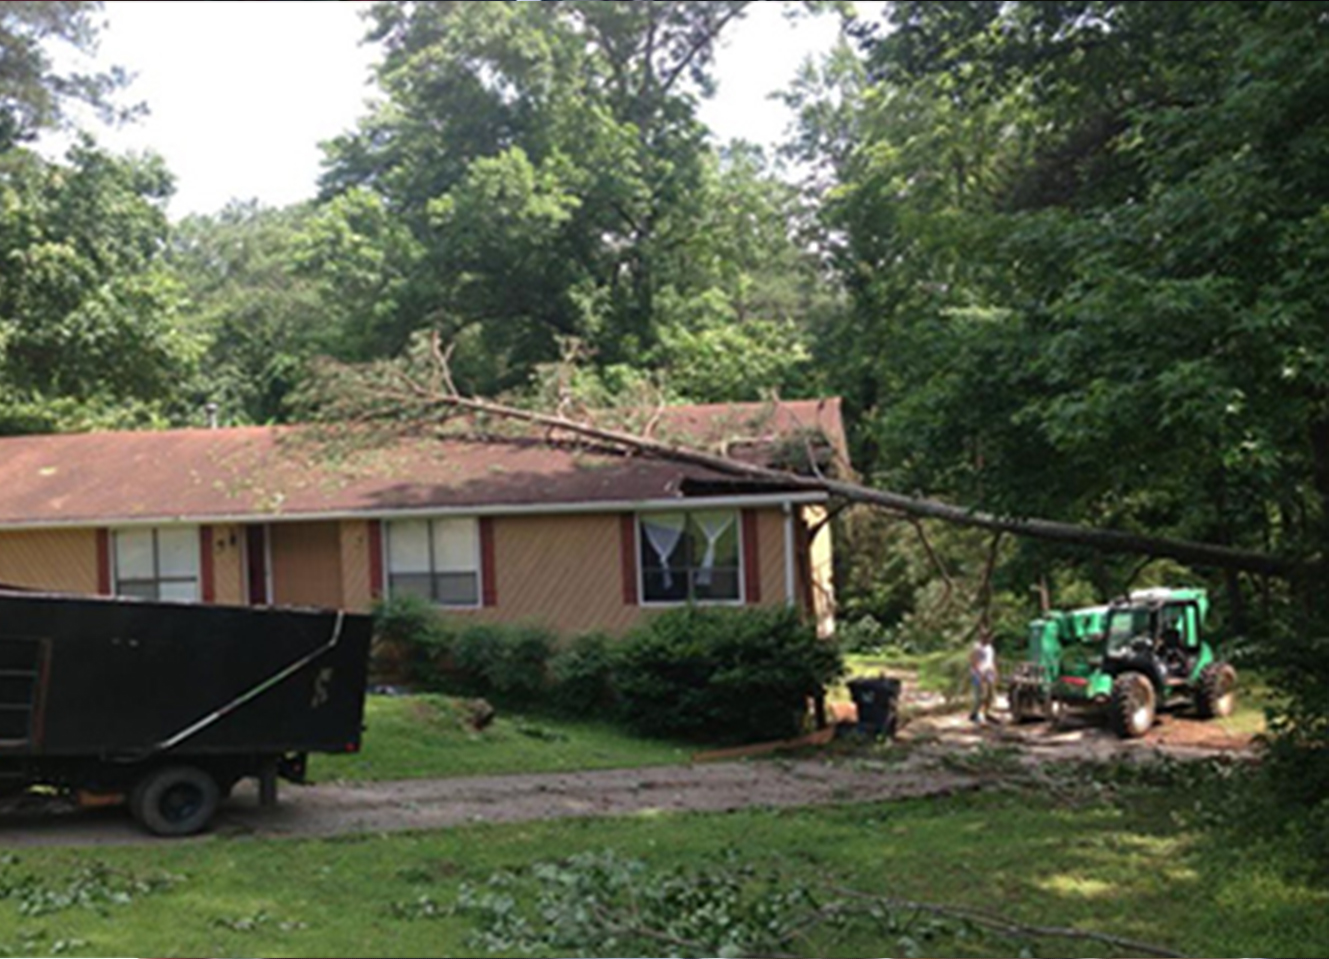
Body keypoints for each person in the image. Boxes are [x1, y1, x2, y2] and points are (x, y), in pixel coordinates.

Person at [969, 631, 999, 724]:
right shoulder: (977, 647)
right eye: (987, 638)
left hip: (989, 673)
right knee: (980, 695)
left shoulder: (990, 648)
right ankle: (977, 714)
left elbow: (992, 661)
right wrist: (979, 673)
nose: (989, 640)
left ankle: (986, 713)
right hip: (979, 674)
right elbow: (973, 661)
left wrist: (995, 672)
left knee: (990, 695)